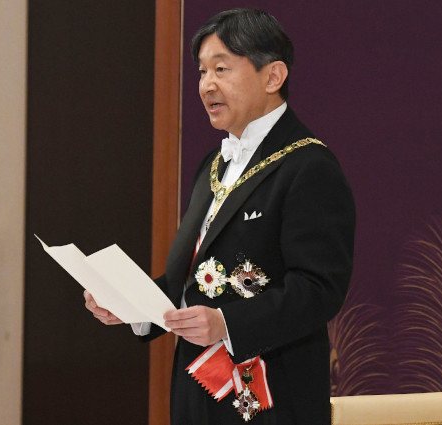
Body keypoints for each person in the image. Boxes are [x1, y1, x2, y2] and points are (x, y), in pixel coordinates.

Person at [84, 8, 355, 425]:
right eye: (202, 71)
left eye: (222, 69)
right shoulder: (215, 163)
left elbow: (319, 288)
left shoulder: (309, 166)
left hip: (272, 394)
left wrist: (226, 323)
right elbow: (186, 281)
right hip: (198, 388)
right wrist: (130, 306)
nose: (206, 84)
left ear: (273, 76)